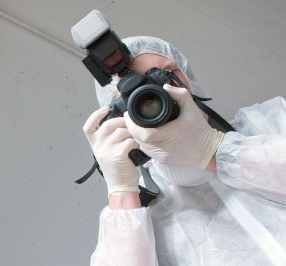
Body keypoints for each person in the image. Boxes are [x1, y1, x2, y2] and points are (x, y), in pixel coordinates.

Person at [84, 36, 286, 265]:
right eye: (136, 97)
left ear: (188, 78)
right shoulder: (144, 221)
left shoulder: (269, 121)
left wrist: (214, 151)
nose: (157, 93)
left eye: (162, 75)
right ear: (119, 116)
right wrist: (122, 195)